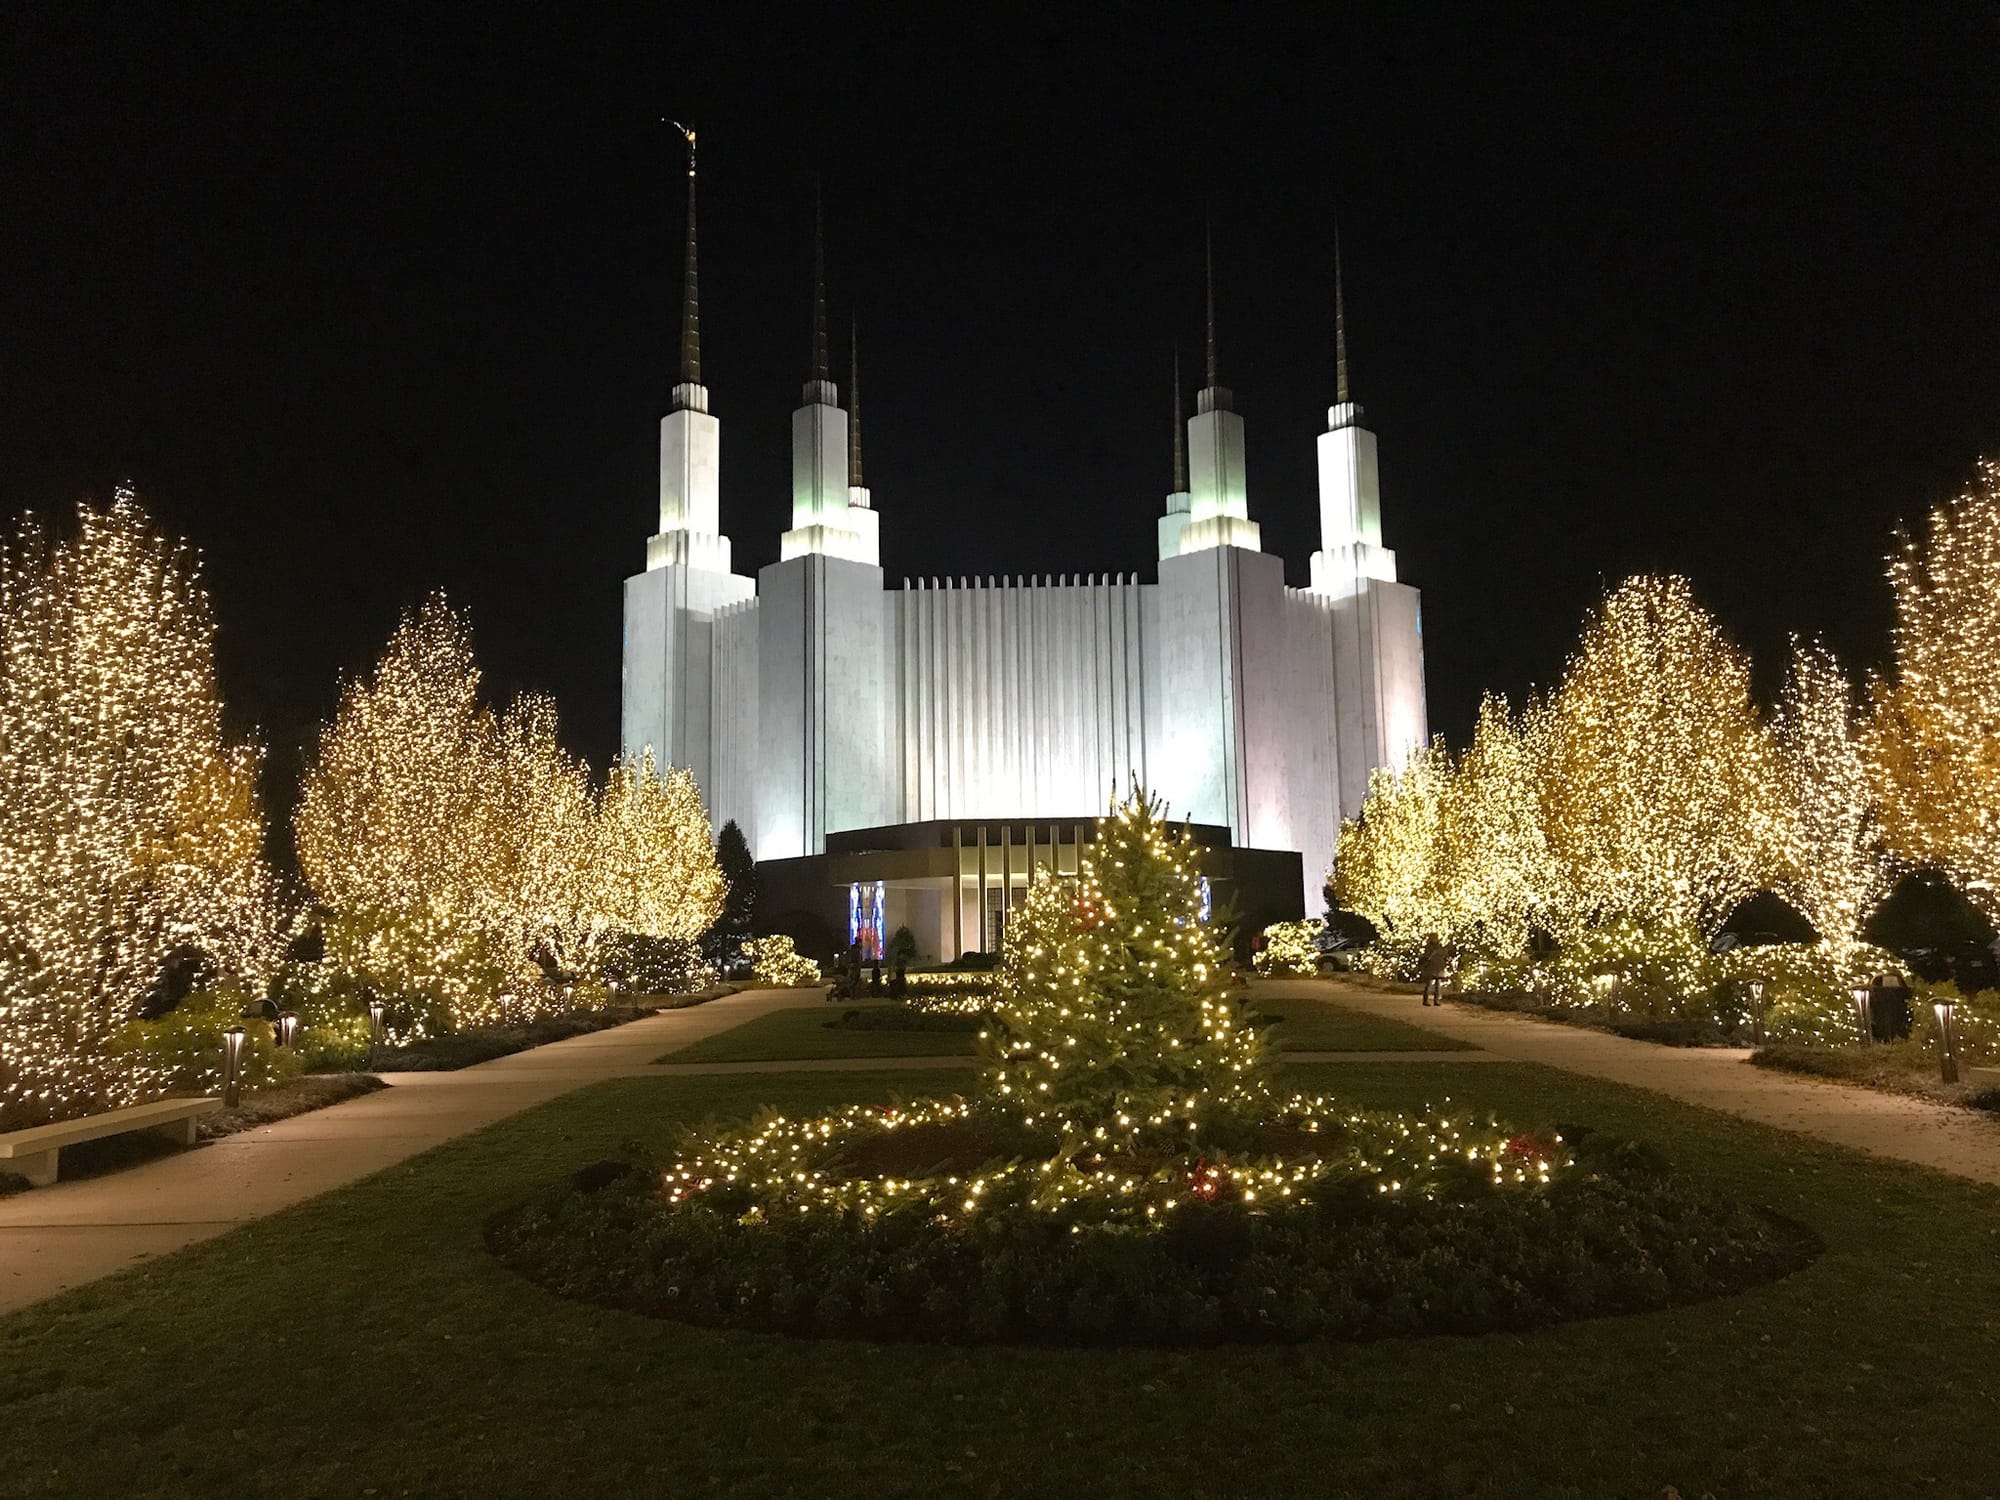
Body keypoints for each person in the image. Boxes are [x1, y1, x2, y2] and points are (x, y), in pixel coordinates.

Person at [1417, 936, 1451, 1006]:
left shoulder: (1440, 947)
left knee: (1437, 985)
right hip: (1432, 967)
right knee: (1429, 984)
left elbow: (1445, 956)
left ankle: (1436, 1001)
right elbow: (1427, 956)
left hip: (1438, 967)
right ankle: (1427, 1000)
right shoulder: (1430, 948)